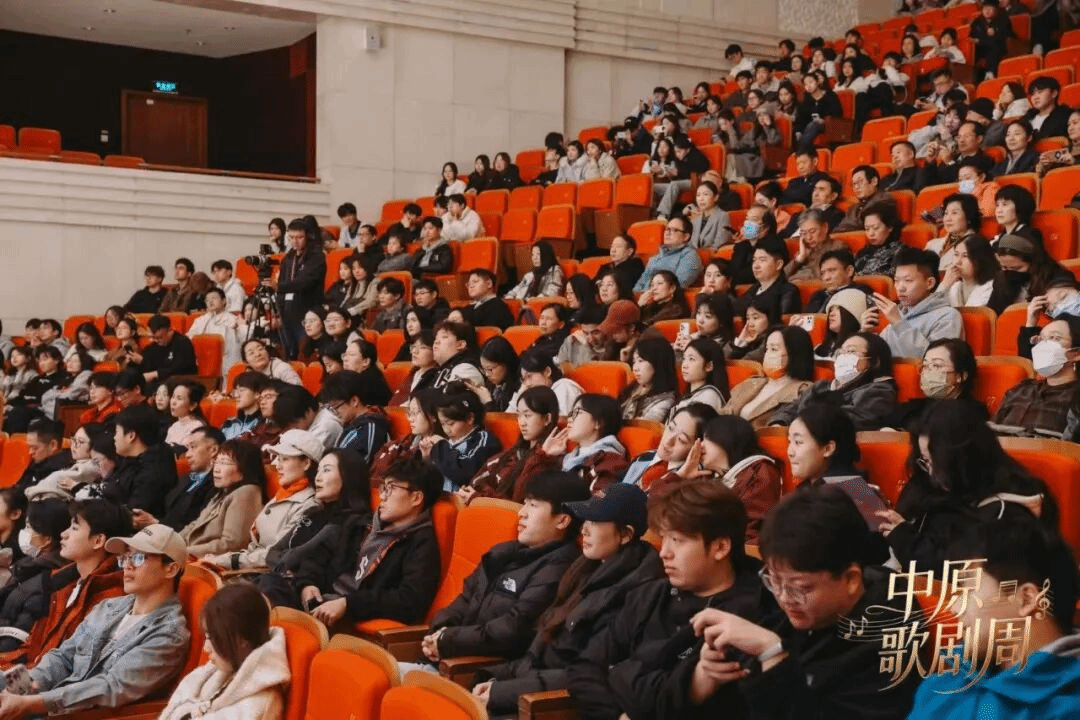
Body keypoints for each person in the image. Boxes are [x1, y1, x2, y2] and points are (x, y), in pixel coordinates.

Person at [690, 487, 920, 720]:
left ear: (851, 579)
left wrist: (771, 653)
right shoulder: (785, 607)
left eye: (801, 588)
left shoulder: (889, 639)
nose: (784, 598)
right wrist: (707, 677)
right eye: (773, 580)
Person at [566, 479, 775, 719]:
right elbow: (584, 668)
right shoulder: (650, 595)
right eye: (663, 538)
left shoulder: (749, 614)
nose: (664, 552)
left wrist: (619, 673)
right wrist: (617, 716)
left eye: (677, 540)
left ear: (720, 547)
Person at [471, 484, 663, 716]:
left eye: (595, 522)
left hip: (552, 707)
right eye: (586, 520)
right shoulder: (584, 570)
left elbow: (583, 672)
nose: (584, 529)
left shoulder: (635, 593)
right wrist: (493, 679)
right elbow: (540, 650)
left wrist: (502, 692)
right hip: (528, 690)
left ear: (625, 534)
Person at [404, 471, 589, 678]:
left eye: (533, 506)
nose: (522, 513)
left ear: (562, 521)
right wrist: (438, 633)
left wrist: (447, 640)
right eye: (524, 504)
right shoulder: (501, 553)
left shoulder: (560, 570)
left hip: (476, 672)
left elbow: (513, 629)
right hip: (446, 656)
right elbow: (464, 599)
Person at [0, 524, 190, 718]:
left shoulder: (168, 635)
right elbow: (64, 656)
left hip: (76, 713)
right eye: (125, 558)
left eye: (139, 558)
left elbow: (110, 687)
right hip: (48, 700)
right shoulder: (109, 607)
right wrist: (33, 682)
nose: (127, 566)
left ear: (171, 569)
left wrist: (33, 703)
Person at [906, 515, 1080, 720]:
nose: (954, 608)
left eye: (969, 588)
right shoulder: (941, 686)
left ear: (1026, 599)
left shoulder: (1066, 709)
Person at [885, 400, 1059, 573]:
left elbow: (962, 570)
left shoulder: (1011, 508)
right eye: (925, 461)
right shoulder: (935, 481)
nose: (930, 472)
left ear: (962, 457)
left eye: (934, 462)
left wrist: (904, 539)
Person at [0, 499, 129, 668]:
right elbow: (35, 648)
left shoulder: (110, 600)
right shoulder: (64, 585)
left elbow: (71, 667)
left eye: (74, 528)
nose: (63, 534)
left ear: (98, 541)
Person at [159, 583, 289, 720]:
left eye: (212, 638)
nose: (206, 648)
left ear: (241, 640)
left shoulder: (259, 706)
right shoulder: (213, 672)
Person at [201, 429, 321, 570]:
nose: (278, 465)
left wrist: (226, 560)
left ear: (306, 463)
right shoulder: (282, 495)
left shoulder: (310, 505)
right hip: (250, 567)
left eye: (285, 459)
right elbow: (254, 547)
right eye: (278, 459)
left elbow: (276, 554)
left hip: (269, 574)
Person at [772, 332, 898, 432]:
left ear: (874, 361)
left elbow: (850, 420)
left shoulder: (879, 391)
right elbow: (790, 409)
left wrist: (803, 419)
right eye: (840, 352)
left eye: (851, 351)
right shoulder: (821, 386)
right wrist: (779, 423)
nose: (843, 356)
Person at [462, 386, 560, 504]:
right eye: (519, 415)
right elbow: (479, 478)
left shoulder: (548, 458)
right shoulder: (516, 451)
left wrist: (478, 497)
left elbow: (519, 501)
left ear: (547, 418)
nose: (521, 423)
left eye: (527, 415)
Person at [862, 246, 965, 359]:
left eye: (908, 280)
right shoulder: (900, 313)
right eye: (896, 281)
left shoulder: (947, 316)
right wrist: (866, 334)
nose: (900, 287)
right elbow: (879, 356)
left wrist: (899, 323)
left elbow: (933, 360)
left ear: (929, 283)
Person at [994, 314, 1080, 439]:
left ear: (1076, 354)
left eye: (1055, 338)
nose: (1044, 345)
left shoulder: (1076, 397)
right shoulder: (1020, 389)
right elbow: (991, 434)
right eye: (1041, 339)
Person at [181, 440, 267, 557]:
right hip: (192, 555)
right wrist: (169, 543)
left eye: (224, 463)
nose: (216, 469)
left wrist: (184, 552)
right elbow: (194, 526)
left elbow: (232, 544)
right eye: (216, 462)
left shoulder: (246, 493)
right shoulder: (223, 492)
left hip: (208, 562)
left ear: (245, 468)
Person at [723, 326, 815, 429]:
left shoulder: (803, 390)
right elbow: (724, 412)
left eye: (774, 349)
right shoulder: (751, 382)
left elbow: (782, 421)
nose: (767, 354)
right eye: (767, 349)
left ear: (794, 354)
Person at [134, 426, 222, 532]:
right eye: (188, 448)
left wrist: (156, 523)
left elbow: (199, 527)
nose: (187, 455)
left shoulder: (218, 484)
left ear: (213, 450)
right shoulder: (187, 478)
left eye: (193, 447)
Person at [541, 394, 628, 494]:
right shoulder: (568, 458)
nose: (570, 419)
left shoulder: (610, 462)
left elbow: (597, 501)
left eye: (577, 412)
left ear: (598, 422)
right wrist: (545, 456)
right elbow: (530, 492)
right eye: (571, 413)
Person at [108, 406, 178, 519]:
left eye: (116, 432)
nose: (114, 438)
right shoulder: (129, 458)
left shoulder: (154, 470)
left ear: (131, 436)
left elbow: (134, 513)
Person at [274, 218, 326, 359]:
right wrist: (278, 311)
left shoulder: (316, 256)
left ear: (308, 236)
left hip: (307, 310)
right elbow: (281, 287)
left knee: (304, 354)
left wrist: (279, 286)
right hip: (287, 312)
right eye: (291, 237)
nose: (295, 241)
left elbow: (303, 282)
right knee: (287, 355)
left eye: (299, 237)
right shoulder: (288, 258)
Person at [320, 370, 390, 465]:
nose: (334, 412)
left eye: (336, 407)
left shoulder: (370, 427)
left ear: (354, 401)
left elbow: (354, 468)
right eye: (331, 408)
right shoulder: (351, 424)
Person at [733, 235, 801, 319]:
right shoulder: (751, 292)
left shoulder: (787, 292)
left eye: (762, 260)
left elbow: (782, 322)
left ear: (779, 264)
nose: (756, 266)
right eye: (754, 260)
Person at [126, 315, 197, 389]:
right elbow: (147, 362)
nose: (156, 341)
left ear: (170, 331)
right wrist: (135, 361)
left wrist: (156, 374)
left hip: (180, 382)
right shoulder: (154, 346)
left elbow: (179, 369)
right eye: (153, 337)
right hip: (158, 381)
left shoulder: (182, 343)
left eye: (159, 337)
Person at [618, 337, 678, 423]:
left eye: (640, 361)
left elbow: (644, 426)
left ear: (657, 363)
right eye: (634, 361)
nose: (635, 368)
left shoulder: (665, 401)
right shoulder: (632, 389)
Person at [506, 348, 582, 416]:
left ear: (547, 372)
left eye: (529, 376)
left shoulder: (564, 388)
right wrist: (520, 393)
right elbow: (507, 419)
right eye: (524, 379)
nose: (527, 384)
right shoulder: (538, 396)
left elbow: (562, 422)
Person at [653, 137, 710, 221]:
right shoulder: (678, 159)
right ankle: (652, 213)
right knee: (654, 187)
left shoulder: (696, 155)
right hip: (678, 183)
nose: (677, 154)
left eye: (679, 151)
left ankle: (663, 214)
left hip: (692, 181)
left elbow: (703, 167)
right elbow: (677, 174)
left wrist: (679, 172)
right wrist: (671, 174)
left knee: (674, 184)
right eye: (676, 152)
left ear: (687, 150)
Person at [783, 210, 847, 283]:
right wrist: (800, 259)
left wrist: (800, 280)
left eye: (812, 231)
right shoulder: (804, 251)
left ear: (825, 228)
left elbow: (825, 276)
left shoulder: (838, 247)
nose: (808, 237)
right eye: (804, 233)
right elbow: (779, 277)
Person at [671, 338, 729, 417]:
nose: (684, 365)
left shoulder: (709, 396)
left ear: (709, 366)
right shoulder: (690, 394)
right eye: (684, 359)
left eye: (691, 359)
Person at [938, 235, 1000, 308]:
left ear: (980, 260)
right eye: (956, 254)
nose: (958, 262)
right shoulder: (954, 287)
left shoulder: (991, 287)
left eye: (965, 256)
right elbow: (931, 310)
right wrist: (944, 285)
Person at [835, 166, 895, 233]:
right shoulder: (853, 208)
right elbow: (839, 228)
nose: (856, 187)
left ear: (874, 181)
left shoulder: (883, 200)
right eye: (854, 184)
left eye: (860, 182)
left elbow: (865, 223)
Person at [15, 419, 71, 491]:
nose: (30, 452)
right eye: (29, 447)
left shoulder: (60, 472)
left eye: (35, 448)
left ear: (53, 445)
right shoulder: (38, 461)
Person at [794, 70, 842, 151]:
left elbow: (837, 113)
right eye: (805, 84)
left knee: (814, 124)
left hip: (827, 126)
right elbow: (801, 118)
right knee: (799, 131)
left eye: (810, 82)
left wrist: (824, 121)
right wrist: (798, 131)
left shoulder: (830, 95)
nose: (808, 86)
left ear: (817, 82)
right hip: (810, 127)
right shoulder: (806, 99)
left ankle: (801, 151)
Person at [855, 201, 905, 277]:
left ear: (890, 227)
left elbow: (893, 276)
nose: (871, 233)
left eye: (876, 228)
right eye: (867, 229)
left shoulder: (899, 251)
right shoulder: (863, 252)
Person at [221, 371, 269, 440]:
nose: (236, 395)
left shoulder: (264, 424)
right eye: (236, 391)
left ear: (257, 394)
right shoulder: (230, 423)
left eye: (242, 390)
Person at [163, 380, 207, 451]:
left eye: (179, 398)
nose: (173, 402)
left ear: (192, 405)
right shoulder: (174, 426)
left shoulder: (197, 427)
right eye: (173, 396)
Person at [1023, 76, 1071, 141]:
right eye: (1033, 94)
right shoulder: (1027, 117)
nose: (1035, 97)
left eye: (1040, 92)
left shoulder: (1065, 116)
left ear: (1054, 93)